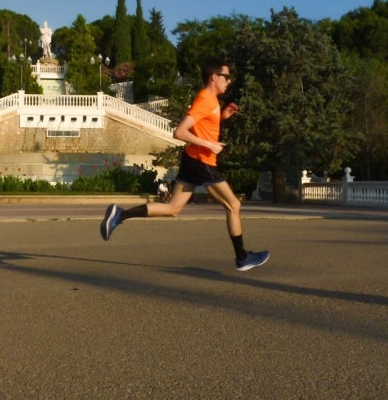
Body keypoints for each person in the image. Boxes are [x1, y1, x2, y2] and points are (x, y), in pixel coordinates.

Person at [100, 59, 270, 271]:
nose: (229, 81)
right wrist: (210, 144)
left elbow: (202, 126)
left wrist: (222, 117)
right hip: (202, 161)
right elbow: (179, 132)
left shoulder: (213, 101)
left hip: (193, 159)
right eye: (226, 76)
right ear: (214, 77)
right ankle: (242, 257)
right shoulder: (205, 100)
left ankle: (120, 215)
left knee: (173, 208)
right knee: (233, 205)